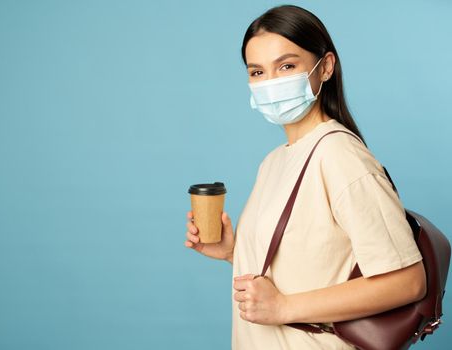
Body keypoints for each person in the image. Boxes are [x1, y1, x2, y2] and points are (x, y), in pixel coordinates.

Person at [183, 5, 427, 350]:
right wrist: (233, 252)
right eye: (257, 72)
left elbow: (407, 282)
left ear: (324, 67)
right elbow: (305, 264)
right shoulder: (274, 161)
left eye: (286, 66)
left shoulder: (340, 155)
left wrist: (284, 307)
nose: (270, 83)